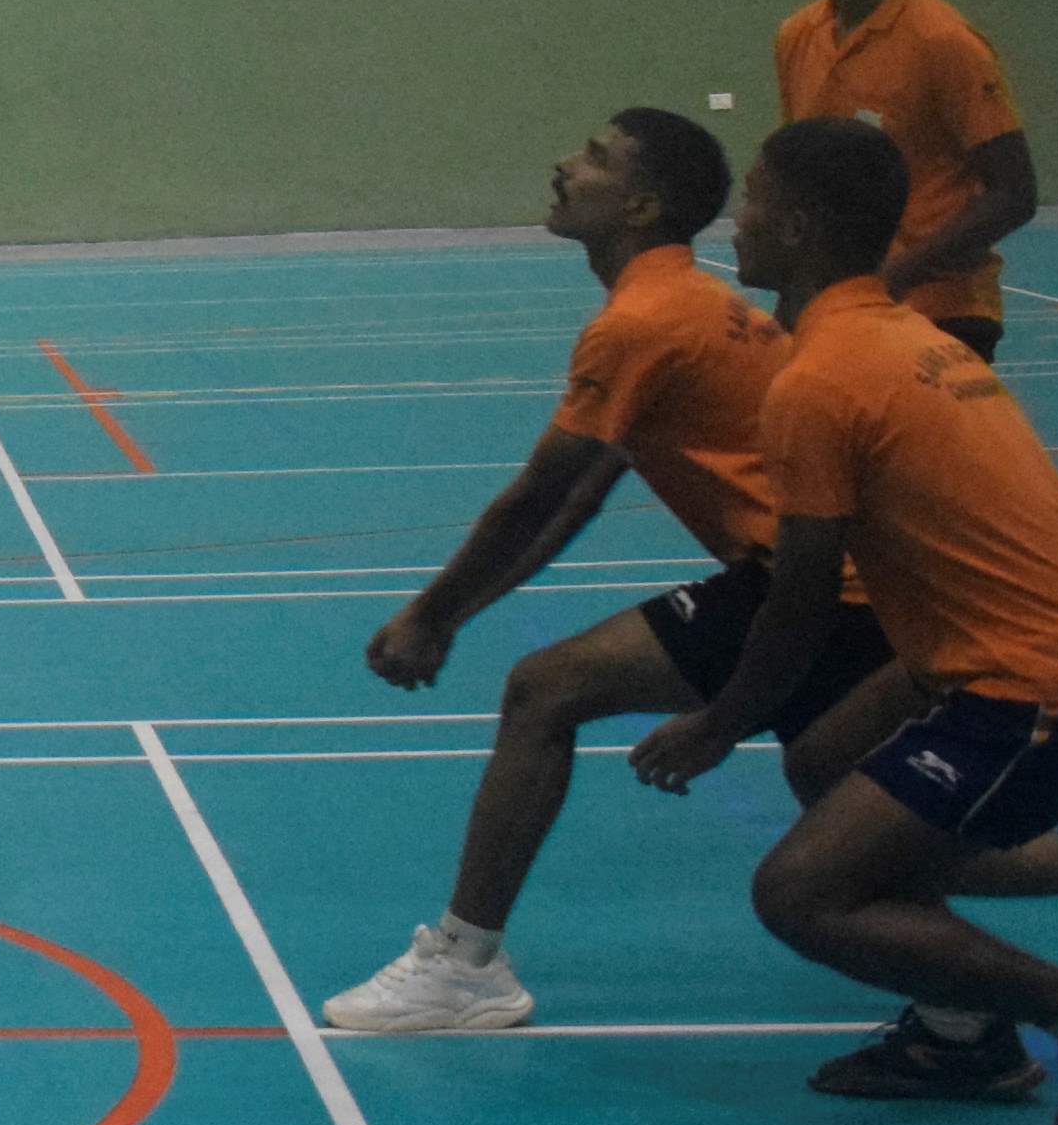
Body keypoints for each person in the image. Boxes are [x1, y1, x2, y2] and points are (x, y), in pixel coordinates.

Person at [634, 118, 1058, 1125]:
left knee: (803, 892)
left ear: (798, 221)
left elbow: (798, 601)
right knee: (826, 767)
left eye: (753, 201)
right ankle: (972, 1024)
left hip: (1051, 676)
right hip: (999, 645)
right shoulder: (900, 334)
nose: (737, 220)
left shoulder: (820, 379)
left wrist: (713, 721)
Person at [324, 109, 913, 1033]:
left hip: (822, 590)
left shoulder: (643, 321)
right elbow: (579, 498)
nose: (566, 165)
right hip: (861, 588)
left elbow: (536, 494)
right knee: (849, 804)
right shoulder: (680, 305)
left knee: (545, 691)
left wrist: (433, 616)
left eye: (594, 158)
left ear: (642, 205)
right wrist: (450, 614)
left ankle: (465, 961)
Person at [776, 0, 1038, 356]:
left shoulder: (943, 41)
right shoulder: (797, 36)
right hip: (834, 312)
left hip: (939, 314)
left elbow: (1014, 193)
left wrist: (895, 275)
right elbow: (801, 182)